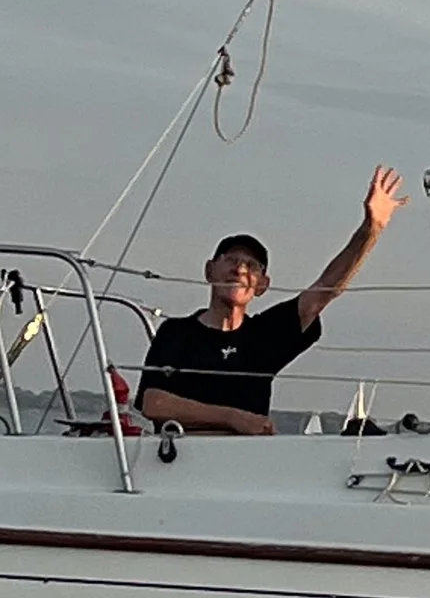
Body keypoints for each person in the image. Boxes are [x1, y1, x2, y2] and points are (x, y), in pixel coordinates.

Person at [135, 167, 405, 433]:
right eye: (231, 260)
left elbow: (325, 289)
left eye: (252, 266)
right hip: (178, 461)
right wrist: (232, 418)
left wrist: (372, 229)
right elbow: (153, 403)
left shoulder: (263, 336)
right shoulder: (177, 332)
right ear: (209, 270)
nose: (240, 269)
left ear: (262, 286)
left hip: (247, 463)